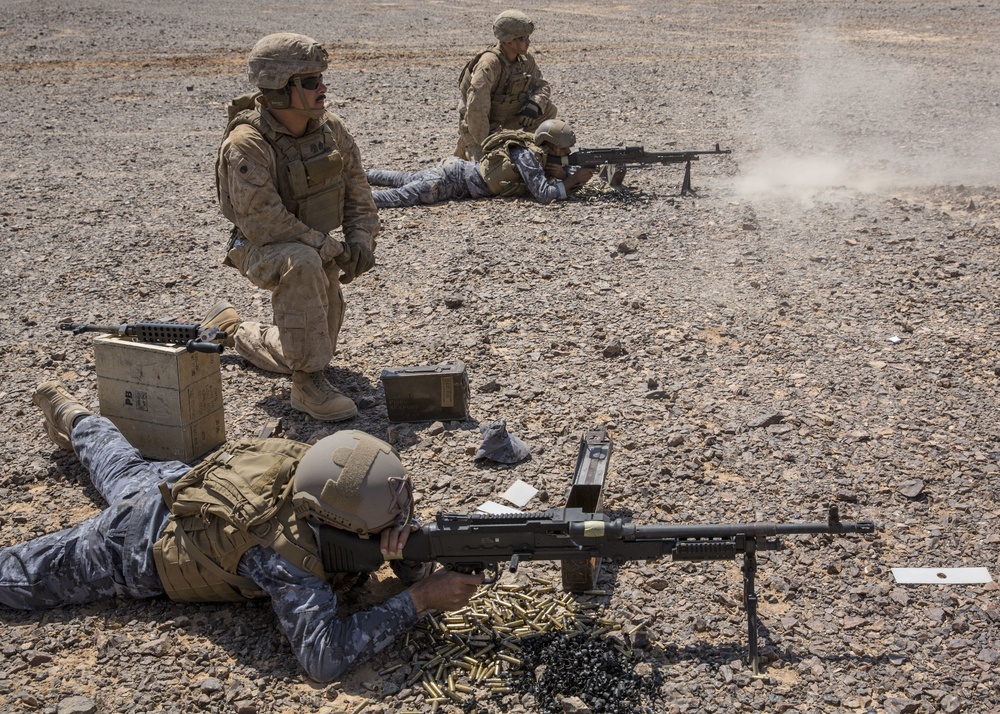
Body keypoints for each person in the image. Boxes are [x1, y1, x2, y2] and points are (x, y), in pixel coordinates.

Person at [0, 381, 484, 682]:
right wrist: (419, 598)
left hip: (176, 483)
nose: (396, 525)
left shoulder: (319, 470)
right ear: (335, 524)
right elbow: (323, 659)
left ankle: (75, 417)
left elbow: (389, 532)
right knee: (20, 577)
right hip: (131, 545)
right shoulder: (284, 552)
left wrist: (406, 551)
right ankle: (76, 422)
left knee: (120, 464)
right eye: (383, 526)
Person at [206, 32, 380, 422]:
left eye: (320, 78)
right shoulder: (247, 143)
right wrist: (328, 248)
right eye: (310, 82)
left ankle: (233, 329)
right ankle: (307, 385)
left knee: (309, 341)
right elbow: (264, 221)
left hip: (312, 245)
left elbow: (359, 194)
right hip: (258, 245)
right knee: (302, 266)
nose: (323, 88)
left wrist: (360, 241)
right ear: (281, 89)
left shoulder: (329, 128)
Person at [367, 119, 594, 208]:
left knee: (403, 178)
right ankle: (349, 198)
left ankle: (362, 173)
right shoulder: (527, 156)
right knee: (397, 197)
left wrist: (566, 177)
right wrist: (573, 180)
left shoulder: (540, 155)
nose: (568, 152)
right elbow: (544, 195)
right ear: (551, 146)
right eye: (564, 148)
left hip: (454, 170)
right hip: (447, 182)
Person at [455, 9, 557, 162]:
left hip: (509, 119)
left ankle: (528, 147)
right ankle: (467, 150)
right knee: (489, 174)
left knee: (548, 109)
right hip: (483, 126)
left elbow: (542, 85)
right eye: (523, 38)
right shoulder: (489, 64)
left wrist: (534, 104)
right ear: (509, 41)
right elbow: (476, 109)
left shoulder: (525, 59)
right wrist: (488, 145)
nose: (529, 42)